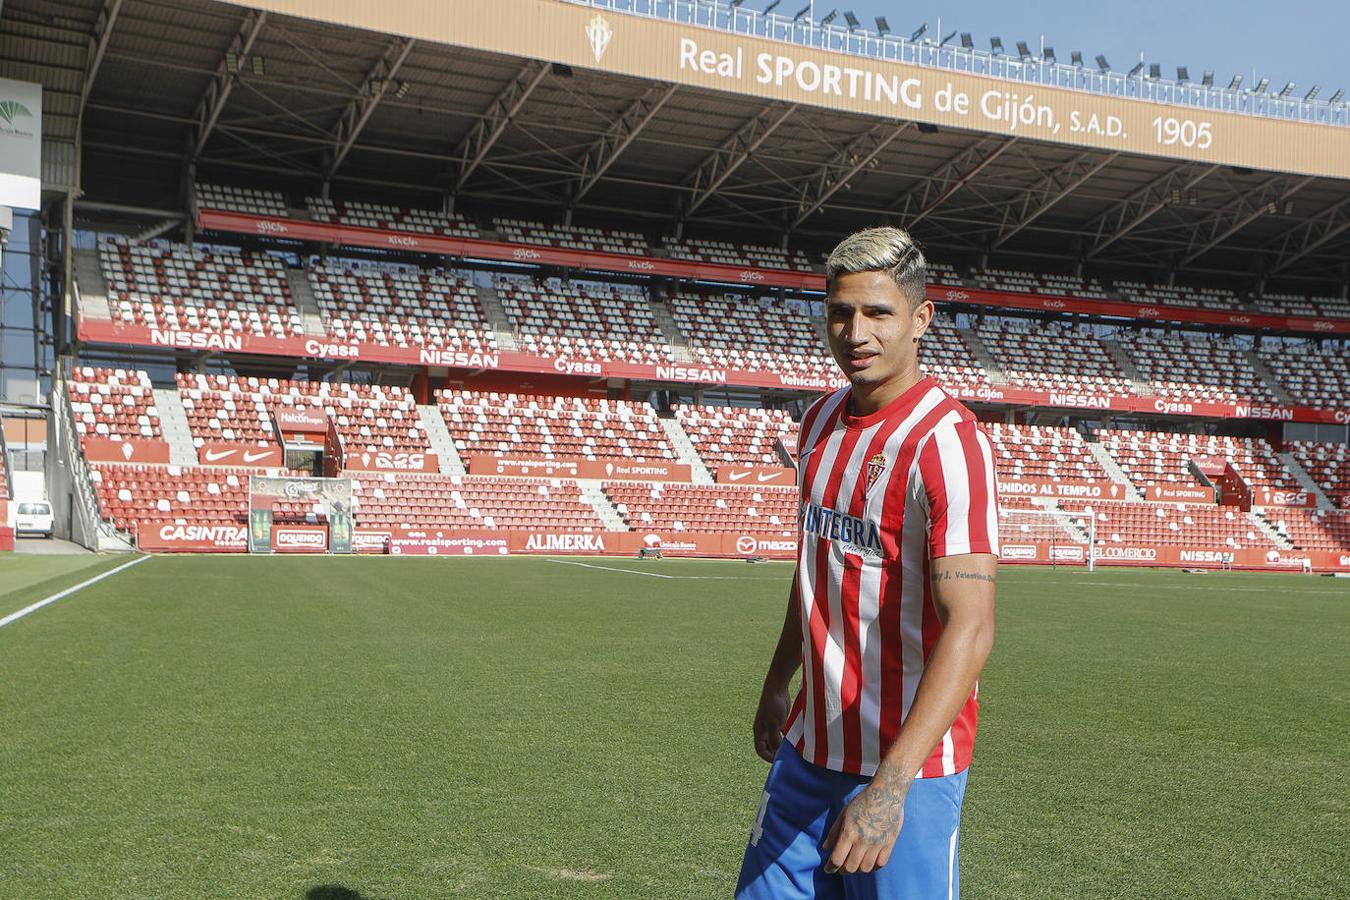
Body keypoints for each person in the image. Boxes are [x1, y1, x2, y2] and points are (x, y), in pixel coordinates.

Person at [736, 227, 1000, 899]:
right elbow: (815, 573)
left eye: (878, 313)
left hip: (905, 773)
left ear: (920, 320)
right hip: (807, 754)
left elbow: (970, 628)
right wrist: (778, 680)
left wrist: (888, 788)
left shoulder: (948, 443)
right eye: (841, 311)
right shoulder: (818, 423)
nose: (856, 331)